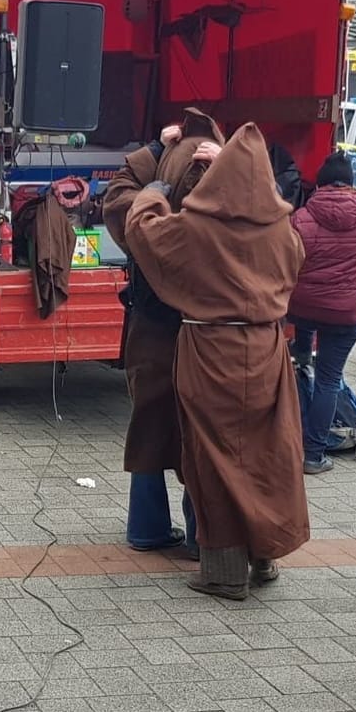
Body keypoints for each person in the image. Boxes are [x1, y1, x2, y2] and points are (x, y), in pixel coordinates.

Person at [121, 124, 309, 599]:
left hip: (211, 354)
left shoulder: (198, 230)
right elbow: (296, 263)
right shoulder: (282, 230)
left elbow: (143, 234)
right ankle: (263, 558)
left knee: (214, 460)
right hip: (267, 353)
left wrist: (154, 192)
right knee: (264, 458)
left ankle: (224, 572)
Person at [103, 110, 225, 557]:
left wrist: (154, 154)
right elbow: (267, 214)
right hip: (209, 340)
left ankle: (147, 527)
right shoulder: (224, 214)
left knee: (150, 426)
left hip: (150, 330)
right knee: (200, 435)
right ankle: (201, 534)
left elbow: (117, 198)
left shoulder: (148, 228)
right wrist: (232, 164)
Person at [287, 149, 356, 474]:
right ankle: (313, 456)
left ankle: (301, 351)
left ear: (321, 184)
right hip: (344, 314)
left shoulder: (301, 217)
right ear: (351, 184)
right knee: (329, 380)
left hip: (302, 308)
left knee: (305, 321)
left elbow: (291, 257)